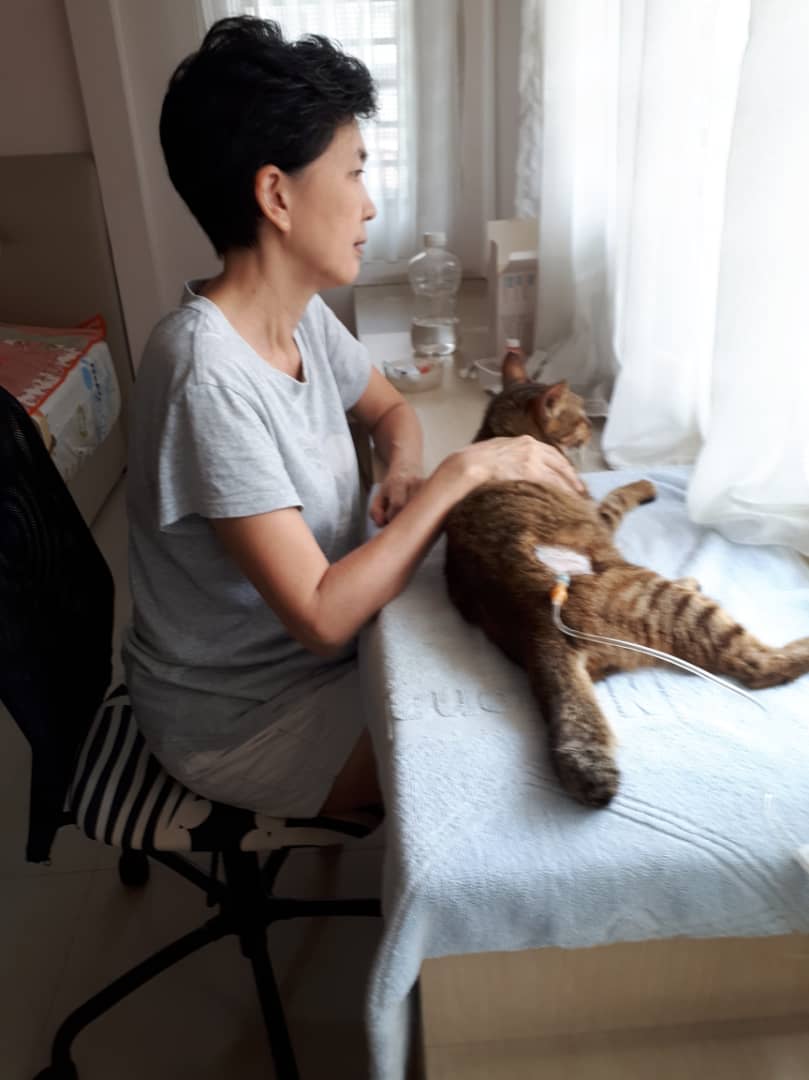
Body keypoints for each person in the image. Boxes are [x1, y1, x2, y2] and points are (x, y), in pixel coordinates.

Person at [122, 16, 584, 821]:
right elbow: (322, 619)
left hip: (338, 644)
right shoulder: (206, 375)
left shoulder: (296, 313)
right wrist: (459, 474)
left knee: (540, 653)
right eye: (354, 173)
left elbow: (390, 408)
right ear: (276, 195)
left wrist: (403, 470)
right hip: (250, 715)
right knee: (523, 760)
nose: (369, 207)